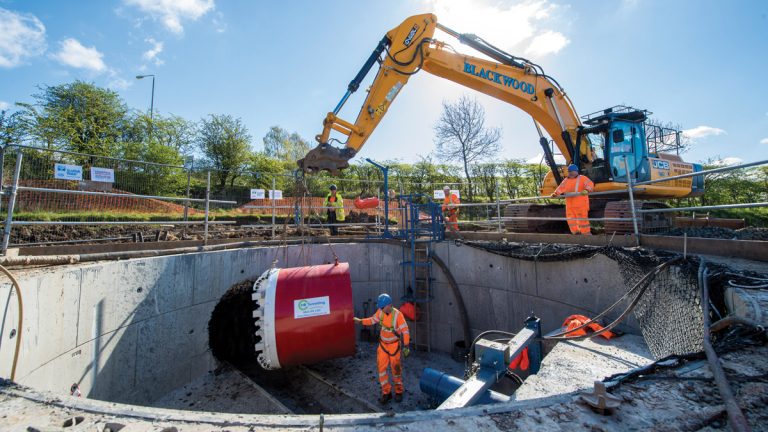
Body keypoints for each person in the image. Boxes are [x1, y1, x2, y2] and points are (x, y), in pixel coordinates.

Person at [354, 293, 411, 404]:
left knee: (396, 369)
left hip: (394, 346)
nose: (380, 309)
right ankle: (387, 393)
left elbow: (405, 331)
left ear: (389, 305)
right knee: (381, 370)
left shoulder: (398, 315)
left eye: (382, 307)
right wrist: (360, 321)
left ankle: (399, 391)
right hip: (383, 346)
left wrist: (407, 346)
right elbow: (372, 320)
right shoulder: (381, 312)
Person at [552, 164, 594, 235]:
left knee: (582, 219)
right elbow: (561, 188)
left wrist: (587, 190)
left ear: (576, 171)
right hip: (569, 204)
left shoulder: (582, 178)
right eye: (569, 171)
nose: (570, 173)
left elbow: (590, 184)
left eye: (571, 171)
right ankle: (576, 233)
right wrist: (555, 193)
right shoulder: (566, 180)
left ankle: (586, 234)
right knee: (571, 220)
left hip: (580, 204)